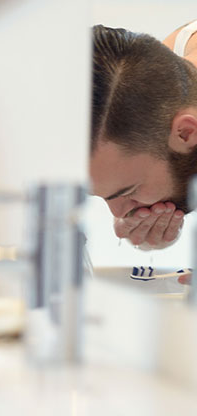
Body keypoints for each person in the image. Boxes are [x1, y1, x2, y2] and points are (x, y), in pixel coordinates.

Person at [90, 23, 197, 251]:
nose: (119, 214)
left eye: (129, 190)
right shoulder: (170, 75)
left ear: (186, 133)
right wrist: (152, 235)